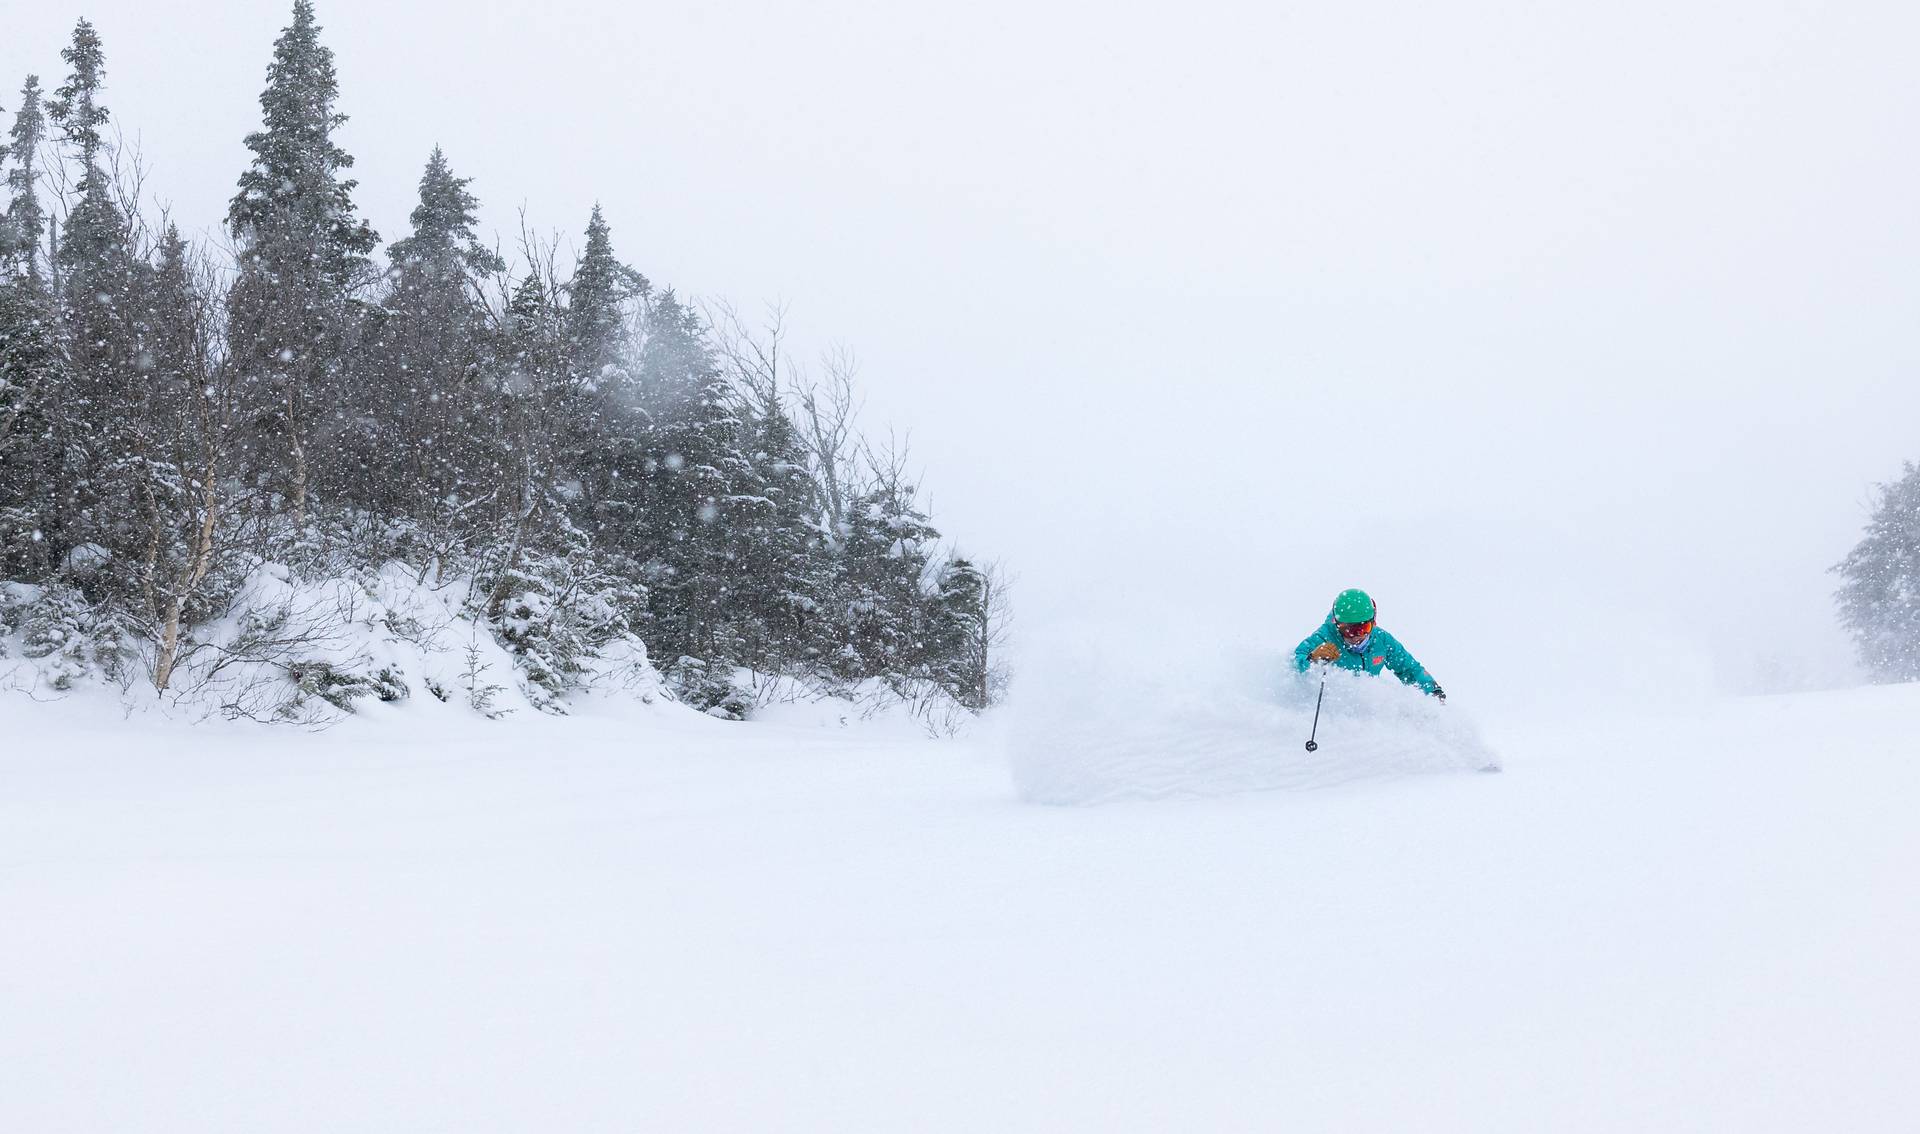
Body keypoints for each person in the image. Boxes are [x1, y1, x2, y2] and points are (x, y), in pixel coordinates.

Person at [1293, 588, 1445, 700]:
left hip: (1366, 710)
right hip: (1335, 710)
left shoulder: (1381, 640)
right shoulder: (1324, 638)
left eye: (1364, 628)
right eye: (1348, 630)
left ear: (1374, 622)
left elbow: (1409, 669)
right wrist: (1311, 659)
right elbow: (1292, 664)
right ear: (1337, 624)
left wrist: (1432, 691)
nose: (1357, 635)